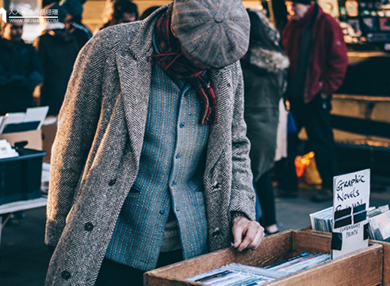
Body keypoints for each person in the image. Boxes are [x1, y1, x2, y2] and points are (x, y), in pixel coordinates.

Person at [45, 1, 264, 285]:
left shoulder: (224, 62)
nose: (208, 68)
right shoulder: (109, 47)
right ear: (175, 28)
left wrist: (242, 212)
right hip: (112, 241)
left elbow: (235, 145)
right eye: (197, 58)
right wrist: (58, 233)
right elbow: (71, 144)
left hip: (196, 247)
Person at [280, 0, 348, 201]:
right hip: (294, 95)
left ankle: (330, 187)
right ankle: (288, 185)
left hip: (315, 95)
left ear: (308, 4)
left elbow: (339, 61)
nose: (291, 10)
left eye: (294, 5)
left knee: (322, 142)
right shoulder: (292, 25)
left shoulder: (327, 24)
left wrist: (325, 90)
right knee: (288, 141)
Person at [241, 10, 289, 235]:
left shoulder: (243, 61)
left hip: (248, 124)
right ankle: (270, 223)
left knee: (245, 179)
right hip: (271, 123)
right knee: (262, 175)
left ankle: (253, 225)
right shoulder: (277, 61)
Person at [34, 3, 81, 116]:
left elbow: (37, 67)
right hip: (70, 91)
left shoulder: (43, 40)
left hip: (49, 92)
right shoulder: (72, 40)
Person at [0, 11, 43, 115]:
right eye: (14, 28)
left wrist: (22, 83)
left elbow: (38, 74)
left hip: (23, 104)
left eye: (21, 27)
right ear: (3, 28)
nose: (19, 31)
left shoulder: (28, 50)